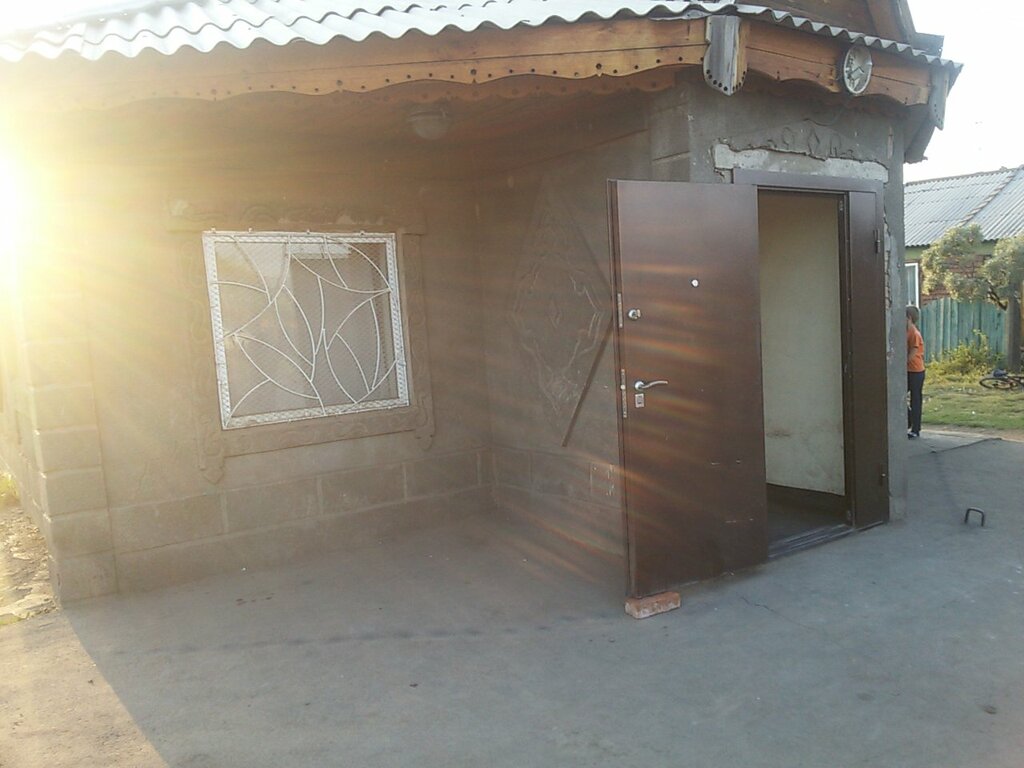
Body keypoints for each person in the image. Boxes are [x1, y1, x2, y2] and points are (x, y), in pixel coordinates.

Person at [906, 305, 925, 439]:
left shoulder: (914, 332)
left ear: (909, 317)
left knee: (915, 399)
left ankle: (915, 429)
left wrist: (902, 364)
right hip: (908, 371)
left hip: (916, 371)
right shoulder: (905, 331)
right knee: (897, 396)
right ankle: (908, 420)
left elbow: (913, 352)